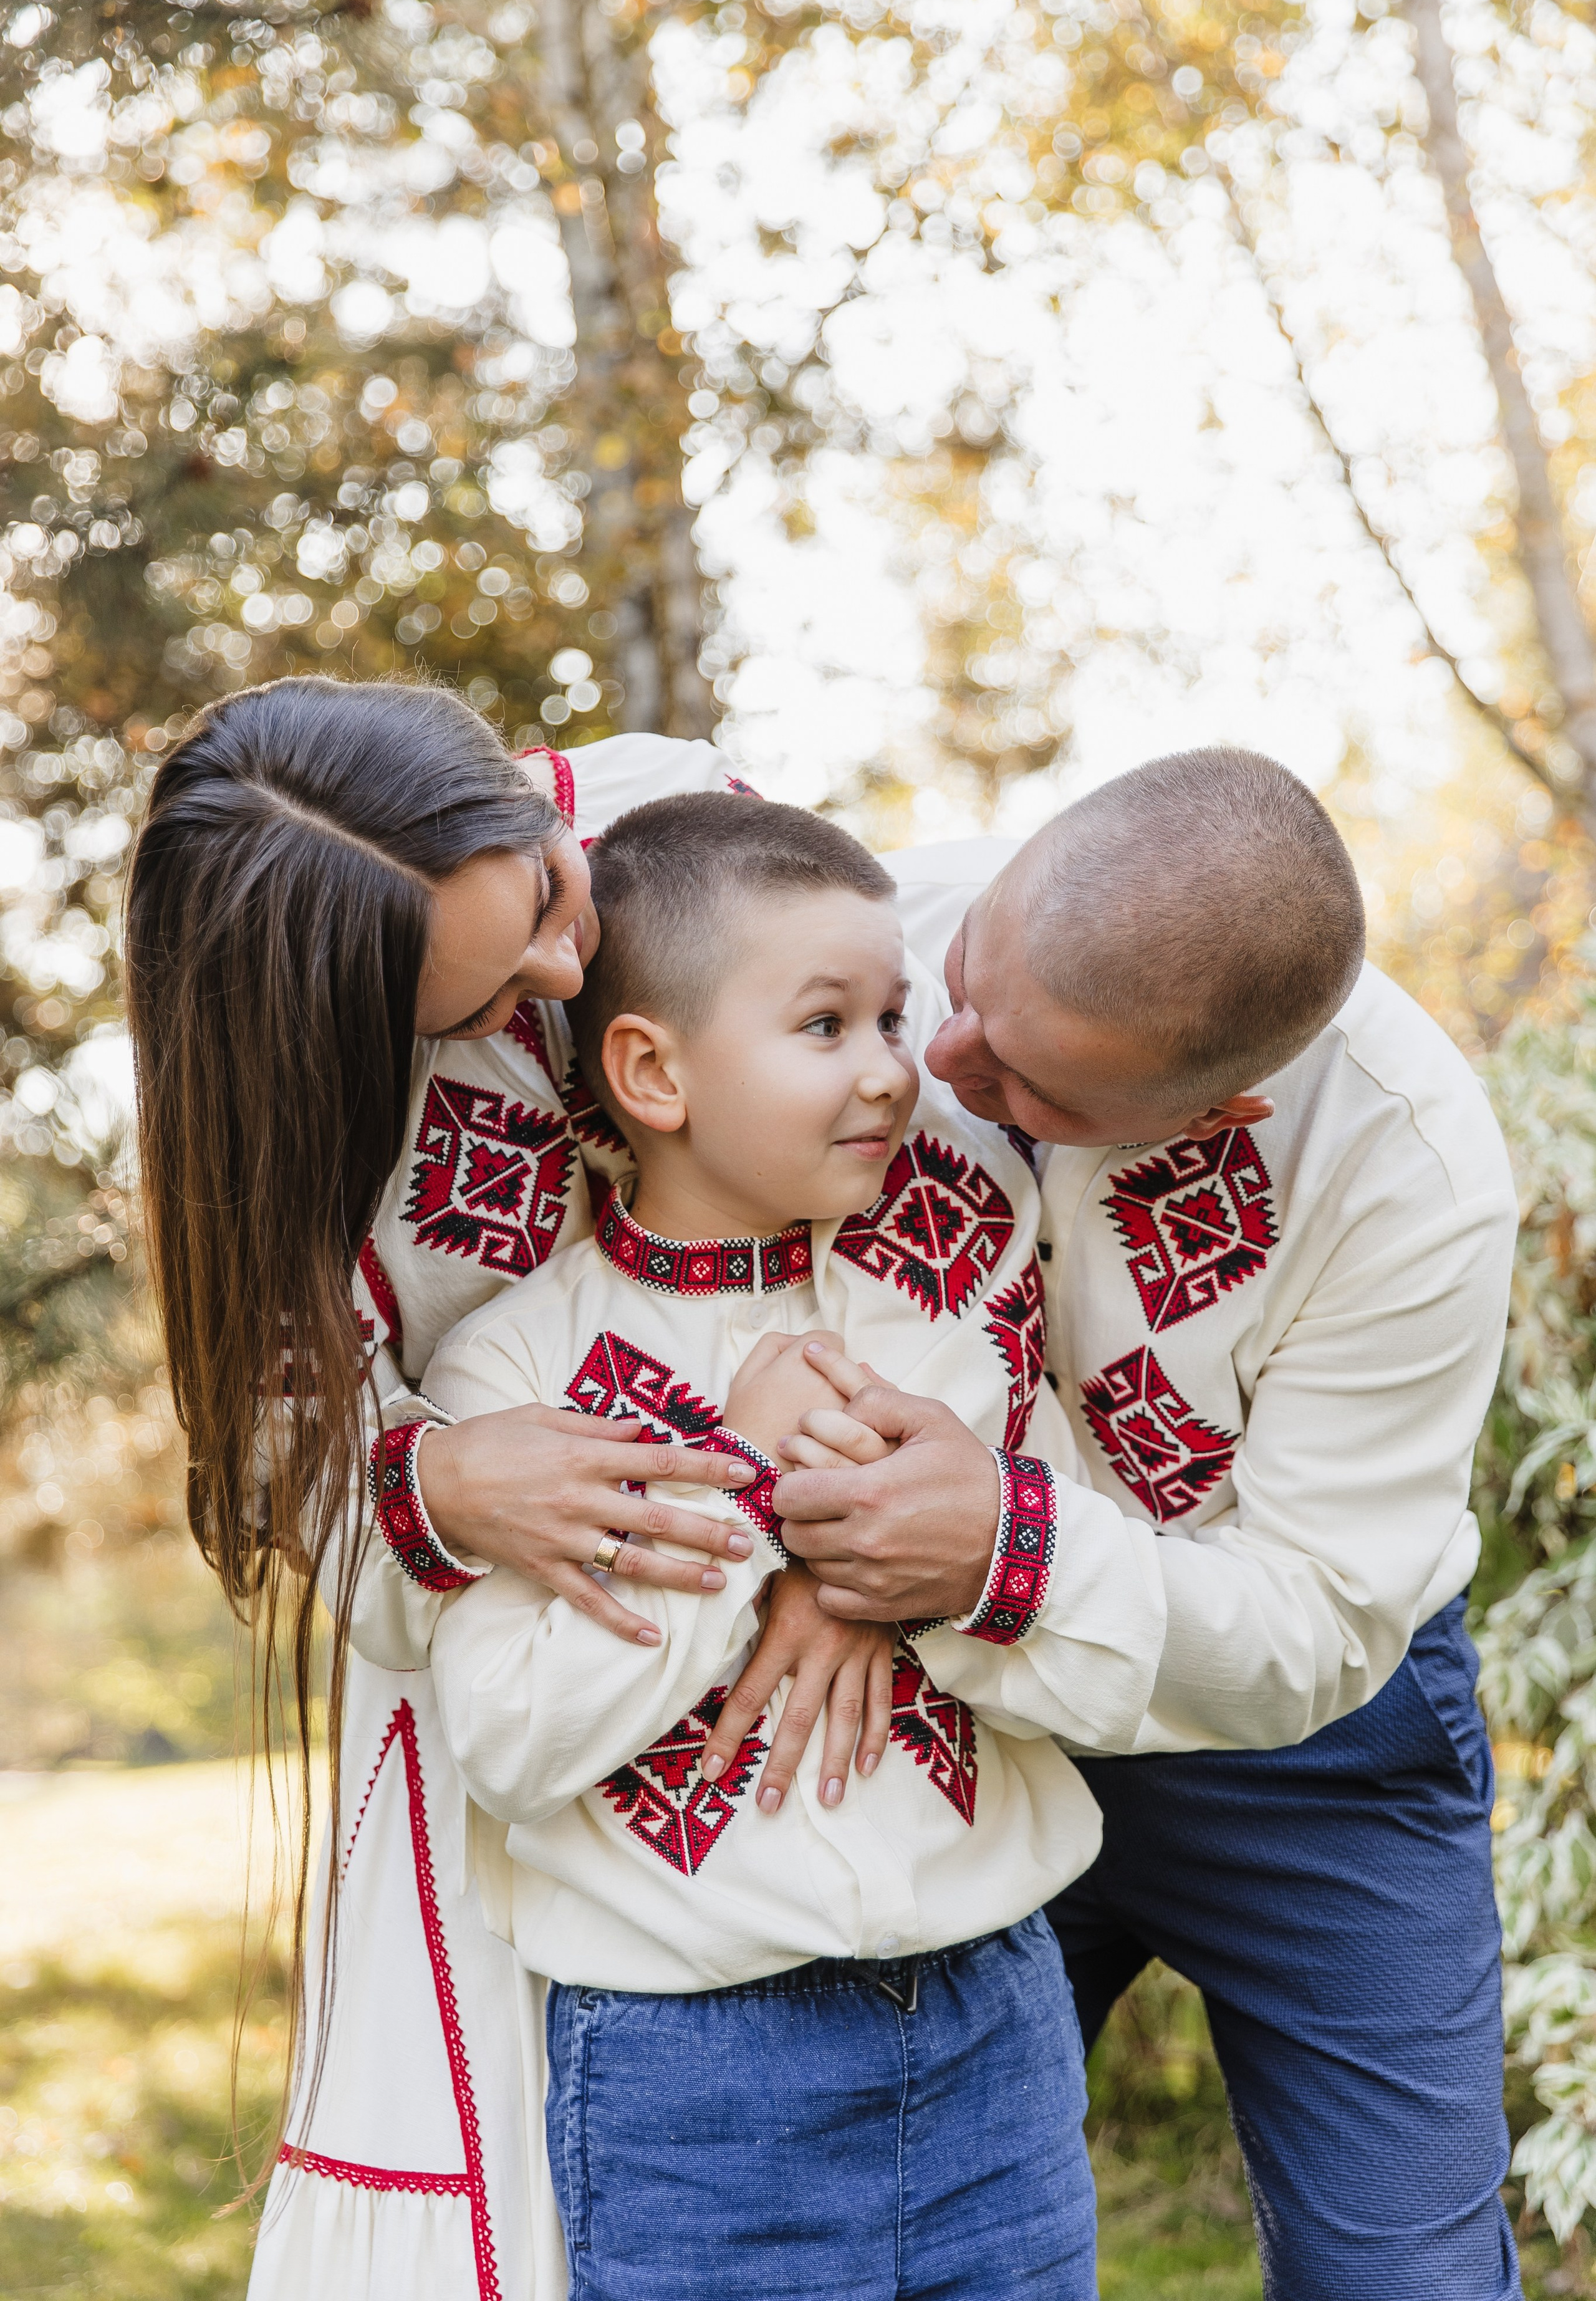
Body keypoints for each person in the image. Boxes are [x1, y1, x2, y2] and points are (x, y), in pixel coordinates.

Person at [711, 747, 1521, 2300]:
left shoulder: (1407, 1175)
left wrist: (1002, 1553)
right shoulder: (889, 933)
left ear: (1220, 1110)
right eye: (957, 992)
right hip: (943, 1711)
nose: (934, 1064)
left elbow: (1315, 1621)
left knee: (1400, 2276)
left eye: (1031, 1089)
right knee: (884, 2236)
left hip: (1303, 1754)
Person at [122, 680, 890, 2299]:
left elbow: (887, 1112)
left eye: (547, 895)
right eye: (476, 1003)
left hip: (813, 1546)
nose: (562, 970)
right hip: (520, 1676)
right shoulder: (289, 1121)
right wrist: (440, 1478)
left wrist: (852, 1538)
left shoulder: (671, 815)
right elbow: (299, 1472)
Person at [407, 790, 1156, 2298]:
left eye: (894, 1016)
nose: (894, 1072)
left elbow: (1083, 1625)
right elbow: (509, 1736)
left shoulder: (948, 1333)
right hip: (695, 2074)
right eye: (827, 1026)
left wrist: (913, 1578)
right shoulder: (513, 1382)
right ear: (652, 1072)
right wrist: (745, 1490)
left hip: (996, 2027)